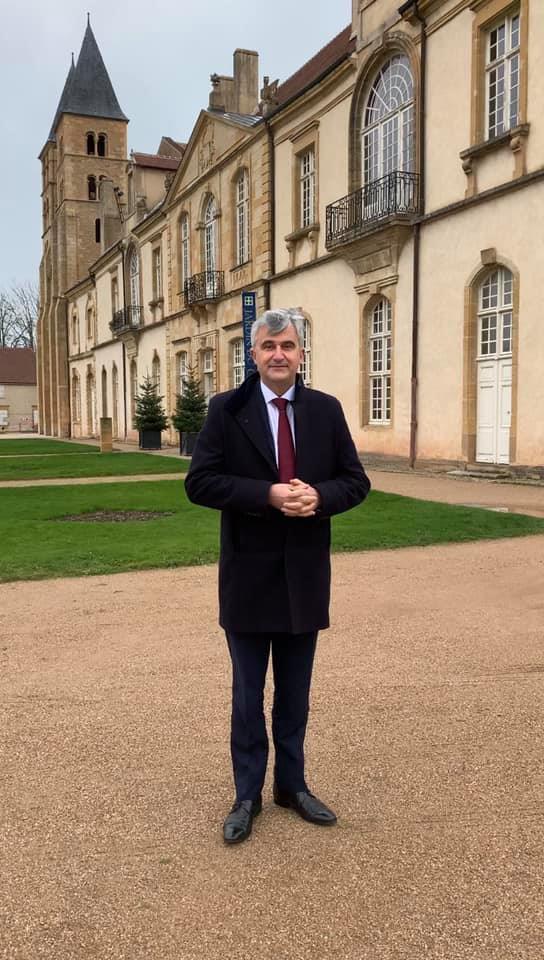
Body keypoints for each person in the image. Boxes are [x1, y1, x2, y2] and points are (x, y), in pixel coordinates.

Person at [184, 308, 370, 844]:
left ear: (300, 352)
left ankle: (292, 786)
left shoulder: (324, 411)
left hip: (305, 575)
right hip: (248, 576)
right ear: (254, 354)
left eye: (287, 345)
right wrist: (265, 494)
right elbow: (200, 483)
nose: (279, 355)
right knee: (248, 695)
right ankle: (247, 794)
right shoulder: (227, 409)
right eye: (268, 346)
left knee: (295, 693)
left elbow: (355, 482)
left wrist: (320, 496)